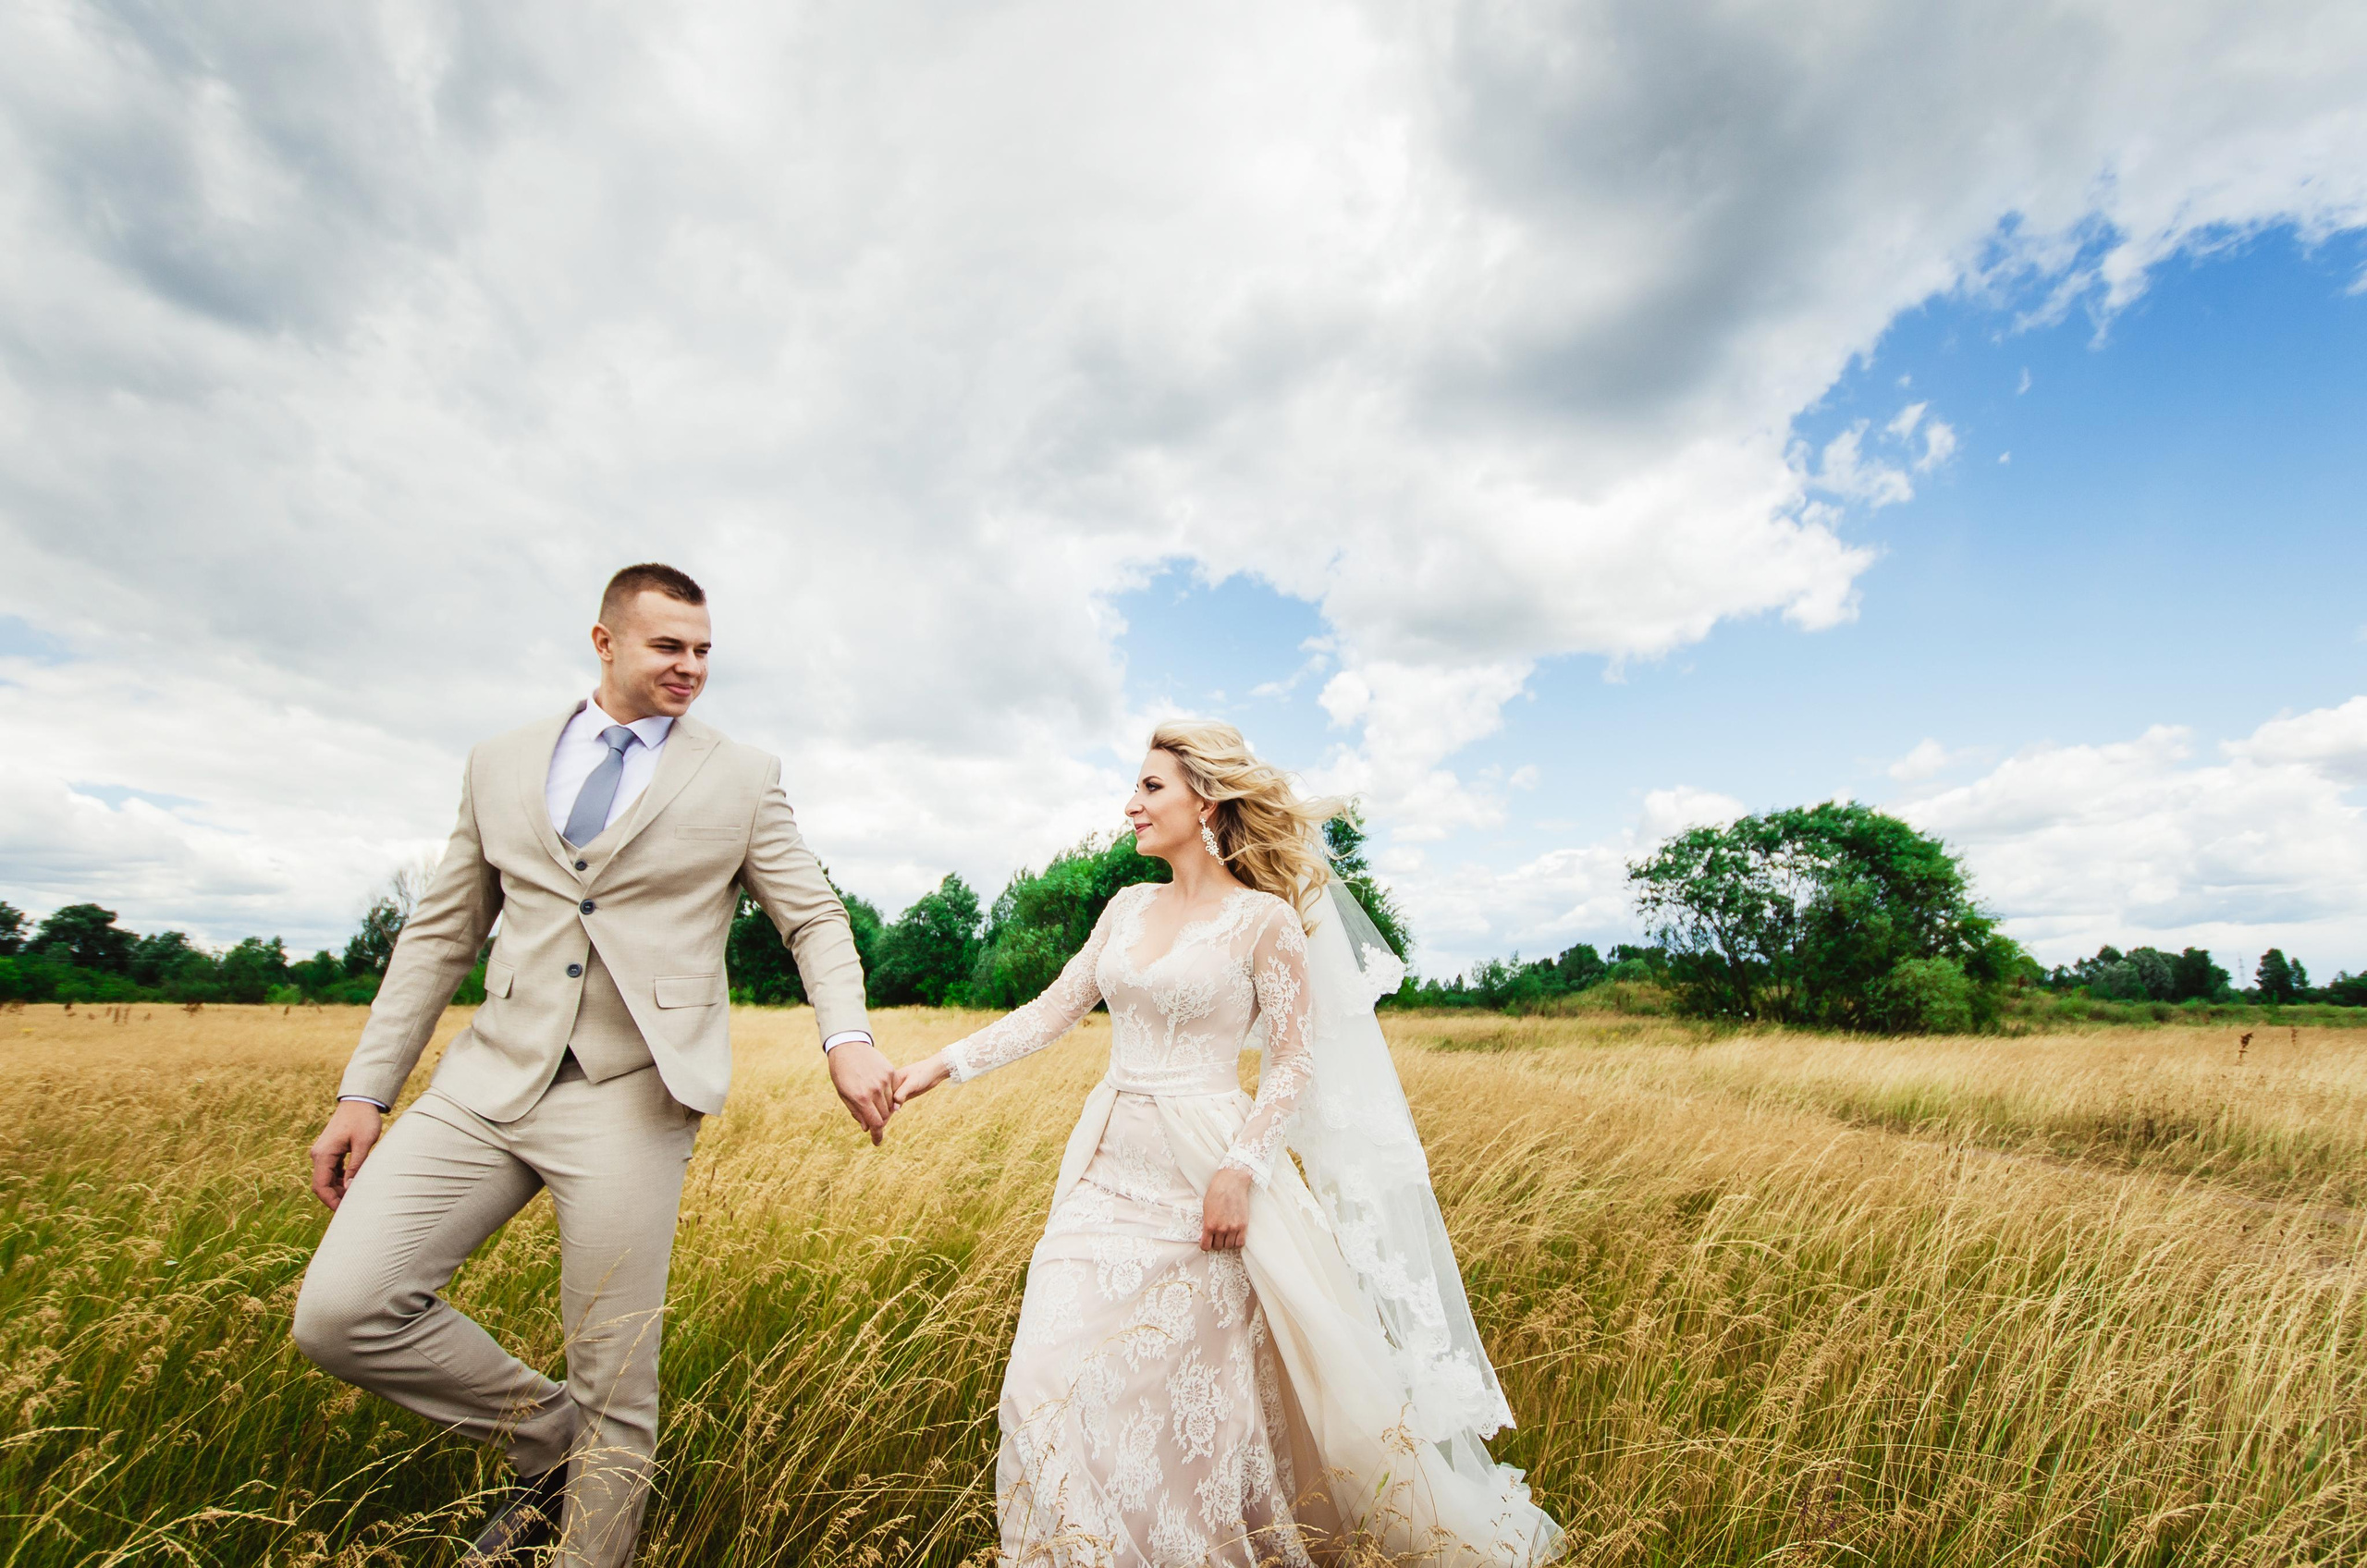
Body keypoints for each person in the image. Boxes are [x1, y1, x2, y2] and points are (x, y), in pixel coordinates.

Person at [290, 563, 897, 1568]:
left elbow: (814, 917)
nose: (692, 666)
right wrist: (366, 1090)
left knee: (620, 1385)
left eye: (704, 649)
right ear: (605, 641)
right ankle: (549, 1441)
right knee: (341, 1311)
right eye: (670, 646)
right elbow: (441, 934)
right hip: (486, 1084)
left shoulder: (742, 776)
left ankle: (590, 1506)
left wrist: (847, 1035)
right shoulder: (499, 762)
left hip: (634, 1096)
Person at [892, 721, 1564, 1566]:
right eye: (1135, 788)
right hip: (1104, 1168)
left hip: (1205, 1166)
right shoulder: (1125, 907)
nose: (1129, 804)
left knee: (1189, 1404)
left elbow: (1292, 1060)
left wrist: (1239, 1169)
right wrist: (939, 1066)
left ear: (1203, 802)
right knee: (1040, 1381)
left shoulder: (1263, 923)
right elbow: (1055, 1009)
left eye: (1149, 788)